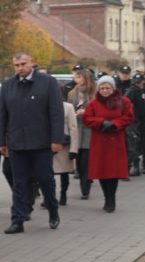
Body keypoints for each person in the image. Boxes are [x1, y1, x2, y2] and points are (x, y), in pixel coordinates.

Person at [0, 52, 64, 234]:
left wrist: (57, 139)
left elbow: (56, 113)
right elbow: (2, 115)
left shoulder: (47, 82)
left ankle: (53, 210)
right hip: (17, 144)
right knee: (19, 182)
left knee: (45, 179)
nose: (20, 68)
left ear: (31, 63)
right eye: (17, 65)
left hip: (42, 143)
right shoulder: (8, 86)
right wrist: (1, 141)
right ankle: (17, 220)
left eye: (23, 64)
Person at [81, 76, 135, 212]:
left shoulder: (124, 101)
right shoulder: (93, 103)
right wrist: (101, 122)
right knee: (102, 171)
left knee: (113, 172)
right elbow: (86, 118)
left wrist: (114, 124)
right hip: (99, 141)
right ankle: (106, 197)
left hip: (116, 140)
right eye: (102, 88)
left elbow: (129, 117)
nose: (105, 91)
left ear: (113, 88)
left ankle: (111, 199)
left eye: (108, 88)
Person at [50, 83, 80, 207]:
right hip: (47, 145)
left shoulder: (67, 107)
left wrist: (74, 149)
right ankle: (49, 197)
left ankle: (63, 194)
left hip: (64, 145)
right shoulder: (43, 106)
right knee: (46, 174)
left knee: (64, 173)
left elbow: (73, 128)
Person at [69, 69, 97, 198]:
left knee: (86, 161)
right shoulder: (72, 94)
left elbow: (99, 111)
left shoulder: (94, 94)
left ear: (85, 78)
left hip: (89, 131)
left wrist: (87, 113)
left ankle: (85, 189)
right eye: (75, 77)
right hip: (76, 130)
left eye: (78, 77)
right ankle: (83, 179)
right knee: (79, 162)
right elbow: (68, 110)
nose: (76, 80)